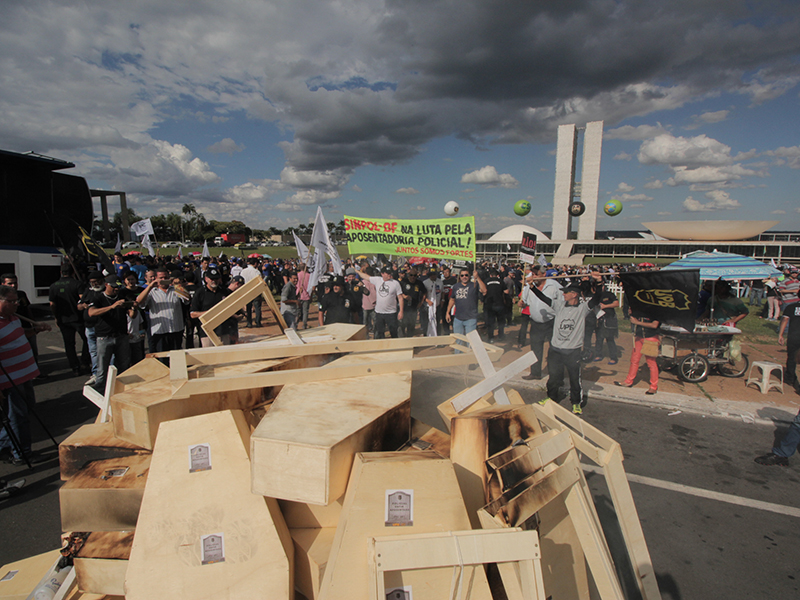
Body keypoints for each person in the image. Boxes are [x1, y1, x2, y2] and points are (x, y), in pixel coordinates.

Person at [529, 272, 604, 414]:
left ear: (574, 294)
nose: (563, 295)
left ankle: (576, 402)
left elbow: (597, 298)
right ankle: (551, 398)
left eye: (566, 292)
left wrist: (599, 282)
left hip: (572, 351)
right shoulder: (559, 306)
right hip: (555, 349)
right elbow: (544, 298)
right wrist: (531, 286)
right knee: (553, 377)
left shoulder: (583, 309)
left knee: (575, 379)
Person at [0, 285, 48, 465]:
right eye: (11, 301)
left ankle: (4, 444)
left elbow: (20, 335)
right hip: (10, 379)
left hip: (26, 373)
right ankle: (22, 453)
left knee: (26, 410)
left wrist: (36, 330)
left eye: (16, 301)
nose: (16, 304)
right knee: (18, 416)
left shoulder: (13, 317)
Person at [87, 275, 135, 392]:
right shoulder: (98, 298)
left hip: (121, 335)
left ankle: (122, 389)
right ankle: (100, 390)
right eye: (113, 287)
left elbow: (132, 315)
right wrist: (112, 307)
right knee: (102, 368)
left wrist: (133, 307)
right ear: (106, 284)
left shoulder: (122, 296)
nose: (116, 289)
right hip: (104, 337)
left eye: (118, 287)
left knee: (123, 365)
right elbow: (91, 312)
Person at [48, 265, 90, 376]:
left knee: (69, 344)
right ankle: (85, 362)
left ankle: (75, 367)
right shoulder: (77, 284)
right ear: (73, 273)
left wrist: (56, 316)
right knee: (87, 340)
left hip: (63, 318)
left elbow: (52, 304)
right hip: (79, 318)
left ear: (61, 272)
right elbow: (83, 299)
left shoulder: (53, 286)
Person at [136, 267, 189, 353]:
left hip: (176, 329)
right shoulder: (152, 291)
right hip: (159, 331)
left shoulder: (175, 290)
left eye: (165, 278)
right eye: (161, 278)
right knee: (162, 358)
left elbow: (187, 298)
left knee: (177, 358)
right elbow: (139, 301)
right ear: (156, 279)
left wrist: (178, 285)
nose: (164, 280)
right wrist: (150, 286)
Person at [521, 266, 560, 380]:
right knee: (536, 349)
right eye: (532, 274)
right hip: (536, 322)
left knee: (554, 349)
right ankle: (535, 373)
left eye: (536, 274)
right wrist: (522, 304)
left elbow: (563, 300)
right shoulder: (529, 287)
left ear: (543, 274)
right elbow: (525, 302)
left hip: (552, 322)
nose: (534, 277)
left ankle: (555, 375)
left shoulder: (554, 285)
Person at [615, 314, 661, 394]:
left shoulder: (655, 310)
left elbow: (654, 325)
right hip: (639, 336)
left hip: (651, 337)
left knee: (651, 363)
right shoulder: (640, 309)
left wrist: (637, 322)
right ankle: (629, 381)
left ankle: (654, 386)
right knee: (634, 360)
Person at [190, 267, 236, 346]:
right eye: (211, 279)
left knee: (225, 356)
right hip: (207, 333)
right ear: (206, 279)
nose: (214, 281)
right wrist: (210, 313)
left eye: (216, 278)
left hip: (224, 331)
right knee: (209, 357)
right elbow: (193, 314)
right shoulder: (200, 292)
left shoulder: (224, 291)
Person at [357, 266, 404, 339]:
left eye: (390, 273)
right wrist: (356, 271)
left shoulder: (395, 283)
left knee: (394, 332)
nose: (389, 275)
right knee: (379, 332)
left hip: (391, 313)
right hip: (379, 313)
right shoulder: (377, 280)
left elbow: (400, 298)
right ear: (382, 274)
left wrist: (401, 311)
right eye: (387, 273)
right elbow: (366, 277)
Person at [445, 267, 487, 337]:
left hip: (471, 318)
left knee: (470, 340)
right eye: (462, 275)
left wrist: (477, 278)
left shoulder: (474, 285)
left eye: (466, 275)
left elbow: (484, 290)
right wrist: (447, 312)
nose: (464, 277)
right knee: (458, 340)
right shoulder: (456, 286)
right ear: (460, 276)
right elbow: (452, 299)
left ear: (469, 276)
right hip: (458, 318)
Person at [593, 287, 620, 364]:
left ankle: (613, 357)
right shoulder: (595, 296)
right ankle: (598, 355)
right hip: (599, 319)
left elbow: (616, 303)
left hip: (609, 319)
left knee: (610, 339)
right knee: (598, 339)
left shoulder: (609, 294)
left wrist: (605, 306)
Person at [778, 299, 800, 391]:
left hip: (794, 336)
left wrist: (780, 334)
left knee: (791, 357)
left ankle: (790, 377)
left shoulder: (791, 307)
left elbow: (785, 320)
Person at [399, 269, 423, 337]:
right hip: (404, 307)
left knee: (412, 325)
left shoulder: (419, 283)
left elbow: (425, 292)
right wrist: (404, 296)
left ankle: (410, 340)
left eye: (415, 275)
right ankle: (402, 340)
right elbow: (398, 292)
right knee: (402, 325)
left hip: (414, 308)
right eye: (411, 275)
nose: (413, 277)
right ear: (408, 275)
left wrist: (421, 302)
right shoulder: (403, 282)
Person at [241, 258, 262, 328]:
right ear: (255, 263)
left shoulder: (243, 271)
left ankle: (249, 322)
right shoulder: (257, 272)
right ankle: (258, 322)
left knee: (248, 308)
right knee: (257, 307)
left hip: (247, 291)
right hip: (255, 291)